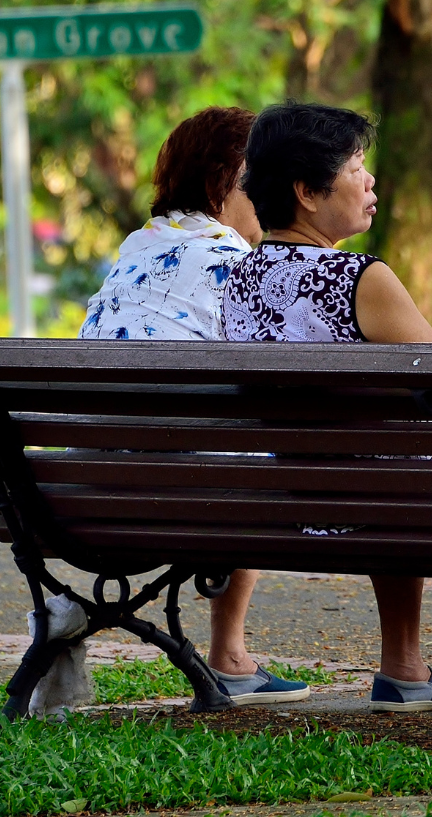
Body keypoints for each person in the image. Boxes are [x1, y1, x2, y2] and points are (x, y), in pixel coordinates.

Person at [221, 101, 432, 711]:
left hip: (278, 504)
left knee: (387, 459)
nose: (370, 180)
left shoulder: (238, 280)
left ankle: (407, 670)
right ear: (306, 190)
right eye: (356, 167)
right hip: (376, 503)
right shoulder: (360, 278)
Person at [78, 105, 303, 707]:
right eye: (260, 183)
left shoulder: (133, 250)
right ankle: (228, 654)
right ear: (225, 186)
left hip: (80, 496)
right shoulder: (239, 266)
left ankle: (229, 654)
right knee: (262, 445)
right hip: (194, 498)